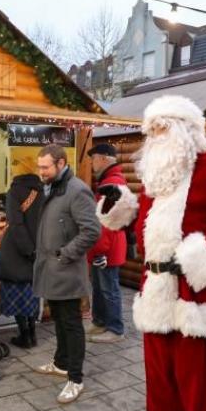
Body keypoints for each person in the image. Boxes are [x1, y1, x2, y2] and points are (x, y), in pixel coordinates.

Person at [97, 95, 206, 411]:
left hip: (192, 289)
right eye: (150, 130)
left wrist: (197, 258)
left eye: (161, 128)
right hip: (155, 287)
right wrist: (120, 209)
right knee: (159, 368)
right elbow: (146, 224)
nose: (154, 136)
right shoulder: (158, 179)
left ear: (186, 131)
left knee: (198, 373)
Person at [32, 144, 100, 404]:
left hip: (66, 270)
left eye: (45, 167)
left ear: (61, 164)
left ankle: (76, 378)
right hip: (52, 269)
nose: (41, 172)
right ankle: (61, 363)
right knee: (59, 319)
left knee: (71, 324)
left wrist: (65, 253)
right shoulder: (51, 187)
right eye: (39, 167)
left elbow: (92, 231)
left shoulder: (77, 190)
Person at [85, 143, 128, 343]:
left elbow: (108, 222)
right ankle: (100, 321)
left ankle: (115, 329)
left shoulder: (112, 183)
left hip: (107, 248)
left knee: (109, 289)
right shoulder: (108, 181)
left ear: (103, 158)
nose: (92, 163)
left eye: (93, 159)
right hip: (102, 247)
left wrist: (100, 250)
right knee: (100, 288)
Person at [0, 166, 43, 349]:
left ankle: (24, 335)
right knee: (32, 294)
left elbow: (15, 223)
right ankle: (32, 334)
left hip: (17, 251)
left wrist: (27, 249)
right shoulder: (43, 190)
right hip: (37, 250)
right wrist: (35, 250)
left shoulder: (14, 191)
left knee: (17, 295)